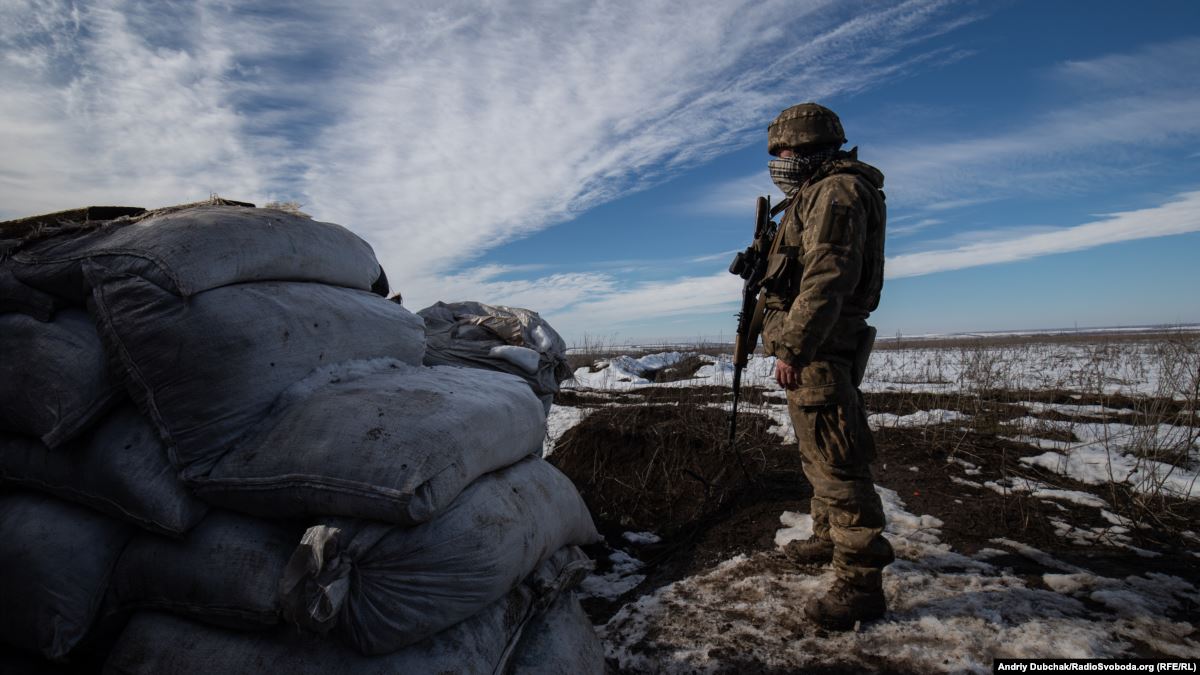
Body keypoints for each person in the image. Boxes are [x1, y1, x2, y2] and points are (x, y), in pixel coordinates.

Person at [757, 102, 893, 630]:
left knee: (838, 464)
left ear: (811, 148)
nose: (780, 161)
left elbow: (828, 275)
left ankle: (859, 582)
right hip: (816, 347)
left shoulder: (835, 192)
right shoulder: (811, 195)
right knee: (818, 454)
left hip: (819, 349)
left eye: (786, 151)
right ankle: (827, 536)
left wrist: (794, 346)